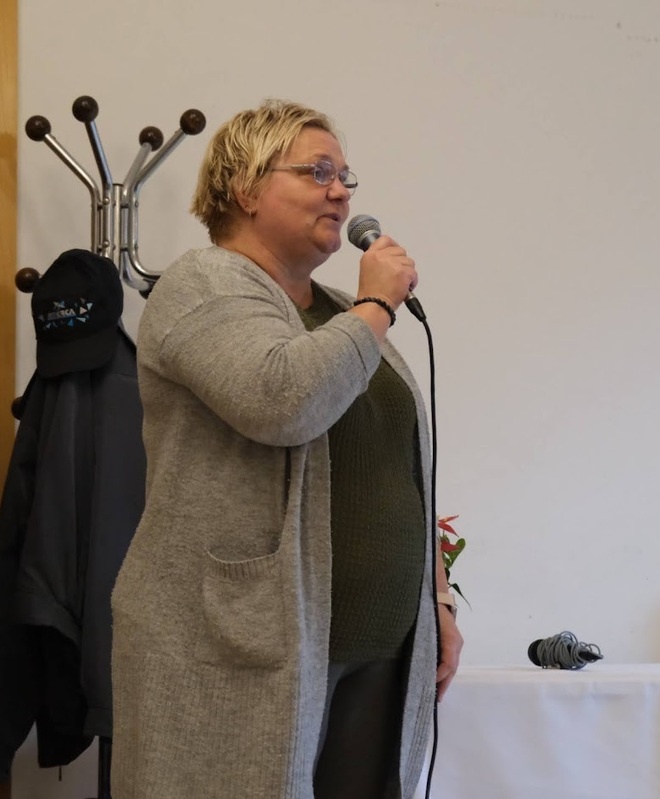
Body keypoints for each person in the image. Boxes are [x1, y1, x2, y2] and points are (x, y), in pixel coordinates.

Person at [110, 99, 463, 799]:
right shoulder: (201, 284)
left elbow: (400, 470)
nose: (342, 192)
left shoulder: (337, 310)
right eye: (318, 172)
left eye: (345, 176)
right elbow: (281, 400)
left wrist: (438, 603)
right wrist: (378, 305)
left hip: (380, 657)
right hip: (246, 656)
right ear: (246, 187)